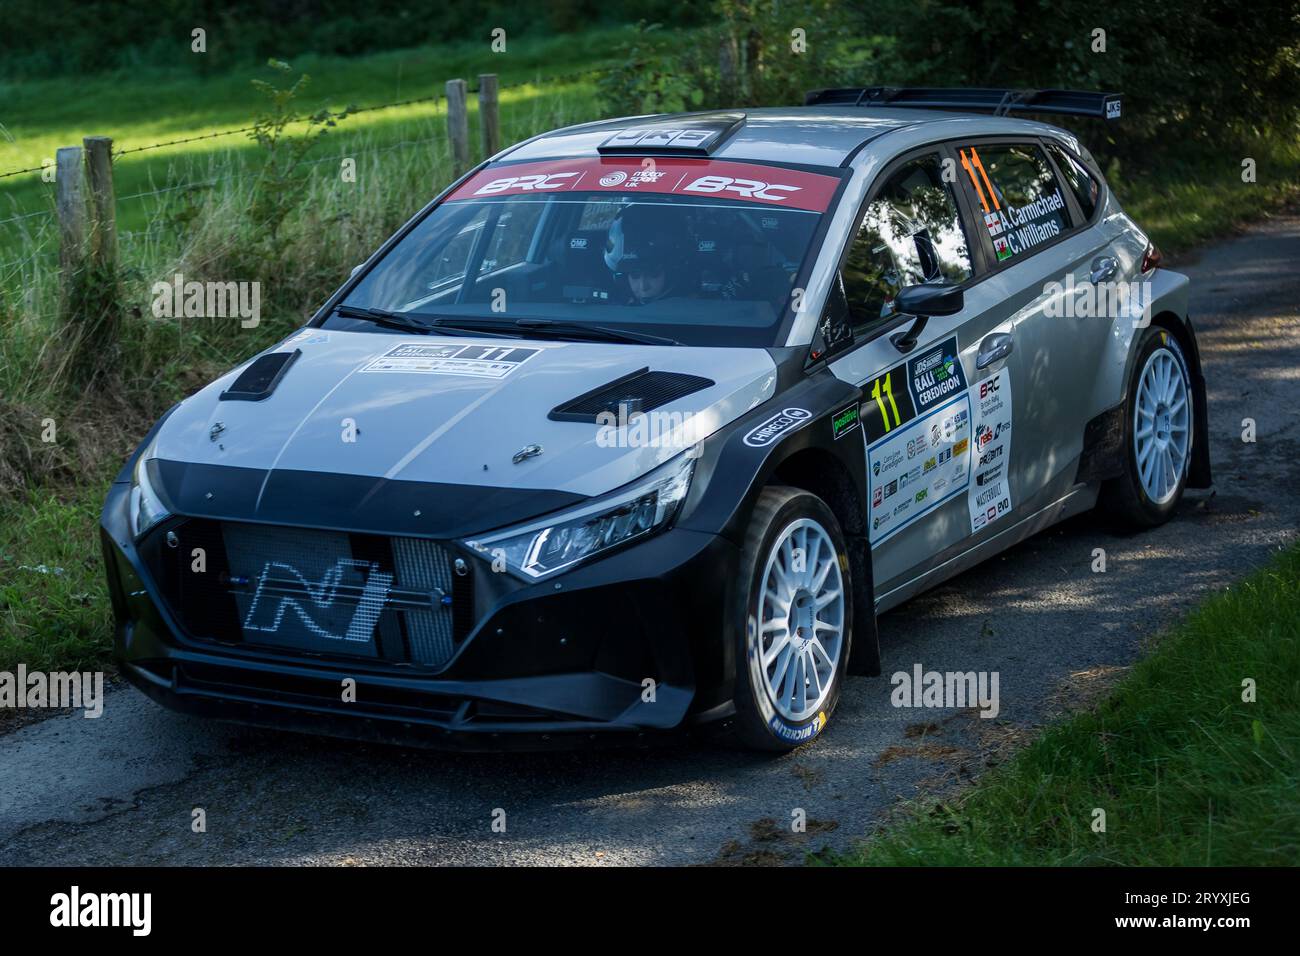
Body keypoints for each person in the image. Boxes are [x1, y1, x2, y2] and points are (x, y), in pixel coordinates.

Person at [603, 204, 685, 304]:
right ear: (623, 278)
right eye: (635, 276)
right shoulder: (609, 312)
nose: (643, 287)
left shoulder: (698, 310)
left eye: (653, 274)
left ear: (671, 274)